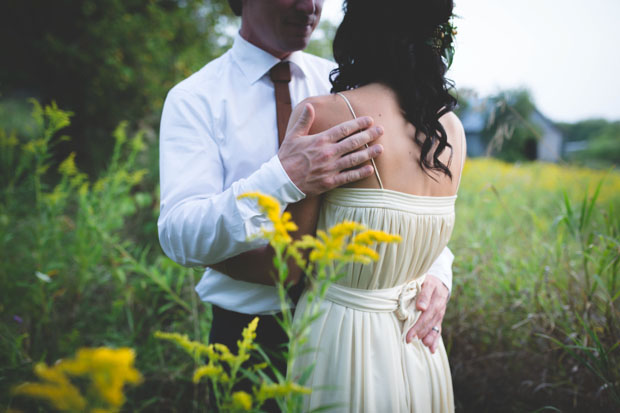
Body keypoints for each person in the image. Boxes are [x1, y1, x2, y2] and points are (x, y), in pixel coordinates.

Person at [157, 0, 454, 376]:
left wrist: (439, 273)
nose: (310, 5)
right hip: (247, 341)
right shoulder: (194, 99)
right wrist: (282, 179)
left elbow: (406, 196)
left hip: (354, 338)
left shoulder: (355, 88)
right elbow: (179, 236)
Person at [282, 0, 465, 411]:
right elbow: (425, 248)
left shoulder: (326, 115)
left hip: (341, 341)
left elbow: (292, 265)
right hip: (420, 344)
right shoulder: (453, 130)